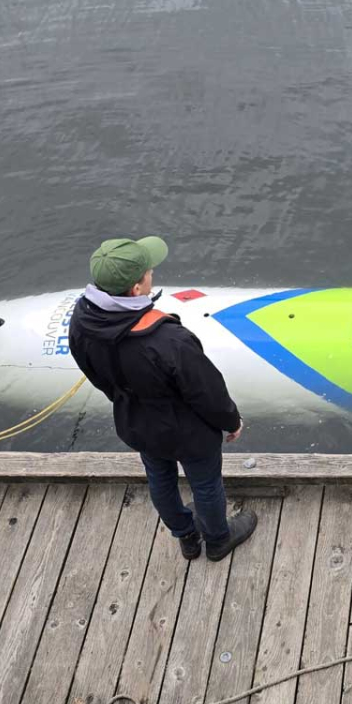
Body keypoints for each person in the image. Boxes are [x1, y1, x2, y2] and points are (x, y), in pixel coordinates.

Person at [68, 235, 257, 562]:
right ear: (137, 290)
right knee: (206, 485)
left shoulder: (81, 324)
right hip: (189, 433)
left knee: (159, 479)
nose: (152, 271)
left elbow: (96, 374)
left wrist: (125, 400)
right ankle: (218, 540)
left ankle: (186, 538)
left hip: (137, 425)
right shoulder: (168, 340)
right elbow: (206, 391)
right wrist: (231, 421)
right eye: (147, 272)